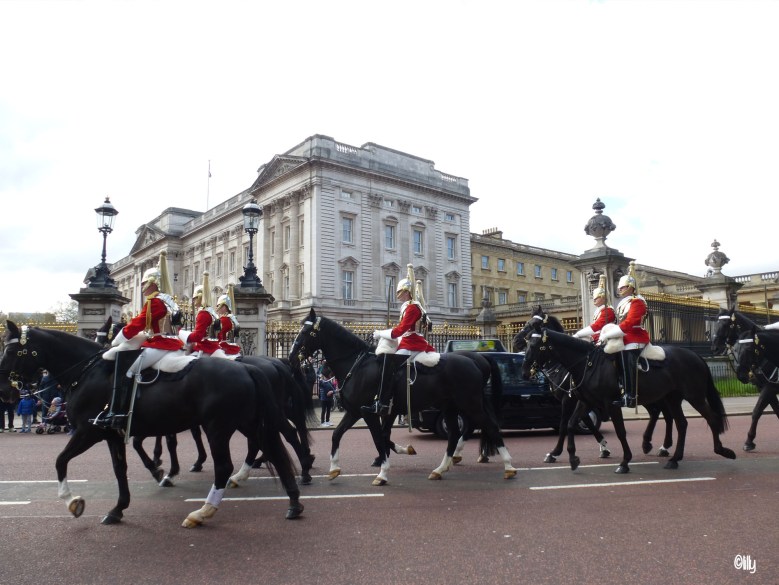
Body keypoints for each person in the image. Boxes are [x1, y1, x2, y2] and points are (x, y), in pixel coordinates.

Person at [94, 251, 184, 430]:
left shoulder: (154, 302)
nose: (142, 286)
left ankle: (119, 412)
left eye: (144, 283)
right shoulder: (167, 301)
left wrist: (118, 339)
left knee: (129, 371)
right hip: (171, 342)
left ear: (153, 283)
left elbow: (138, 323)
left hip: (160, 344)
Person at [362, 264, 435, 415]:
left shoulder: (412, 308)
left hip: (412, 343)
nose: (399, 295)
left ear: (407, 293)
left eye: (401, 292)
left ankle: (383, 402)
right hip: (409, 341)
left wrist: (380, 333)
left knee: (389, 365)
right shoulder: (410, 306)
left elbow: (400, 331)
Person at [614, 262, 649, 408]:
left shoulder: (638, 302)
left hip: (635, 337)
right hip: (624, 337)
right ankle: (619, 387)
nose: (620, 289)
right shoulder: (623, 303)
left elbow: (630, 322)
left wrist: (611, 332)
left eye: (623, 287)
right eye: (620, 287)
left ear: (631, 287)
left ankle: (631, 395)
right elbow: (619, 322)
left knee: (628, 359)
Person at [178, 272, 226, 358]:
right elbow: (219, 336)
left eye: (195, 298)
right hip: (215, 348)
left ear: (200, 297)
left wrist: (180, 333)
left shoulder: (203, 313)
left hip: (205, 349)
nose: (193, 302)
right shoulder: (213, 313)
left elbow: (197, 336)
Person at [573, 274, 616, 344]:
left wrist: (578, 334)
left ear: (604, 298)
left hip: (605, 339)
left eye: (597, 297)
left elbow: (597, 327)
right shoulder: (600, 310)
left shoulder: (608, 311)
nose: (594, 299)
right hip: (598, 337)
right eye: (594, 297)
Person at [215, 285, 241, 357]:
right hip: (233, 348)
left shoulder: (223, 320)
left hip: (224, 349)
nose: (217, 307)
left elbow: (218, 336)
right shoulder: (232, 318)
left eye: (218, 305)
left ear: (223, 307)